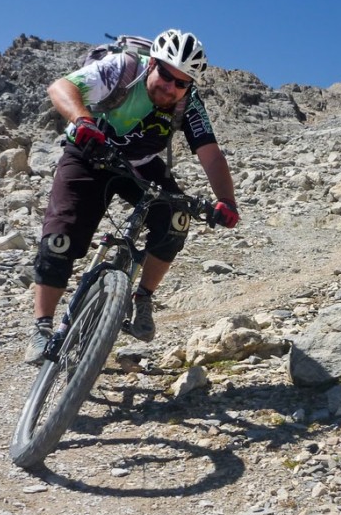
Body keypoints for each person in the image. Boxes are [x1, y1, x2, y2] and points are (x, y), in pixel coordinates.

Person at [24, 29, 239, 364]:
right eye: (166, 75)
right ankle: (41, 328)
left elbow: (210, 153)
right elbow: (61, 87)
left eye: (180, 83)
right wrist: (82, 120)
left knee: (176, 220)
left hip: (139, 164)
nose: (170, 87)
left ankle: (143, 296)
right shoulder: (122, 69)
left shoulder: (189, 102)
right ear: (152, 63)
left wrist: (226, 201)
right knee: (59, 241)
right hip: (87, 152)